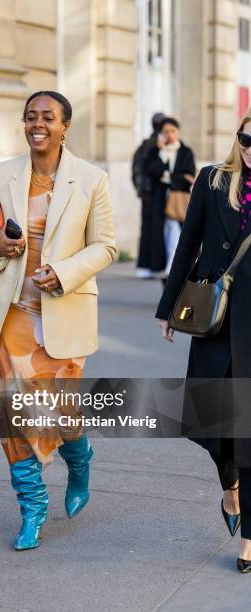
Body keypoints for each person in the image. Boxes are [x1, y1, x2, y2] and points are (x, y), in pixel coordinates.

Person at [0, 91, 117, 551]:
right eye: (30, 117)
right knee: (13, 415)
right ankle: (32, 508)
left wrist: (65, 272)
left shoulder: (91, 180)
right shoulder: (2, 174)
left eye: (47, 118)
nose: (38, 125)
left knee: (61, 412)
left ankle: (80, 458)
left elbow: (107, 245)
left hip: (64, 313)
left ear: (64, 126)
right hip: (12, 312)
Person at [156, 109, 251, 573]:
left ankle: (249, 537)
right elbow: (188, 242)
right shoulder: (213, 180)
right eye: (247, 138)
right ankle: (230, 488)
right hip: (214, 319)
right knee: (216, 427)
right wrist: (167, 306)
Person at [145, 117, 195, 282]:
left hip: (179, 202)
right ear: (160, 134)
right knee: (162, 236)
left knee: (176, 234)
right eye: (166, 132)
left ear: (178, 132)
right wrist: (161, 154)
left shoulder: (185, 151)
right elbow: (152, 172)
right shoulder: (155, 151)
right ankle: (166, 270)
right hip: (160, 201)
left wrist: (168, 177)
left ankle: (171, 269)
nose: (170, 135)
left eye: (172, 131)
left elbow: (189, 177)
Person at [132, 112, 165, 278]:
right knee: (156, 229)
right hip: (155, 193)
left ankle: (146, 265)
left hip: (147, 193)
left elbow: (136, 170)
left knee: (147, 228)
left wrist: (140, 189)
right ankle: (152, 266)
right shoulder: (156, 145)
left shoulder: (144, 145)